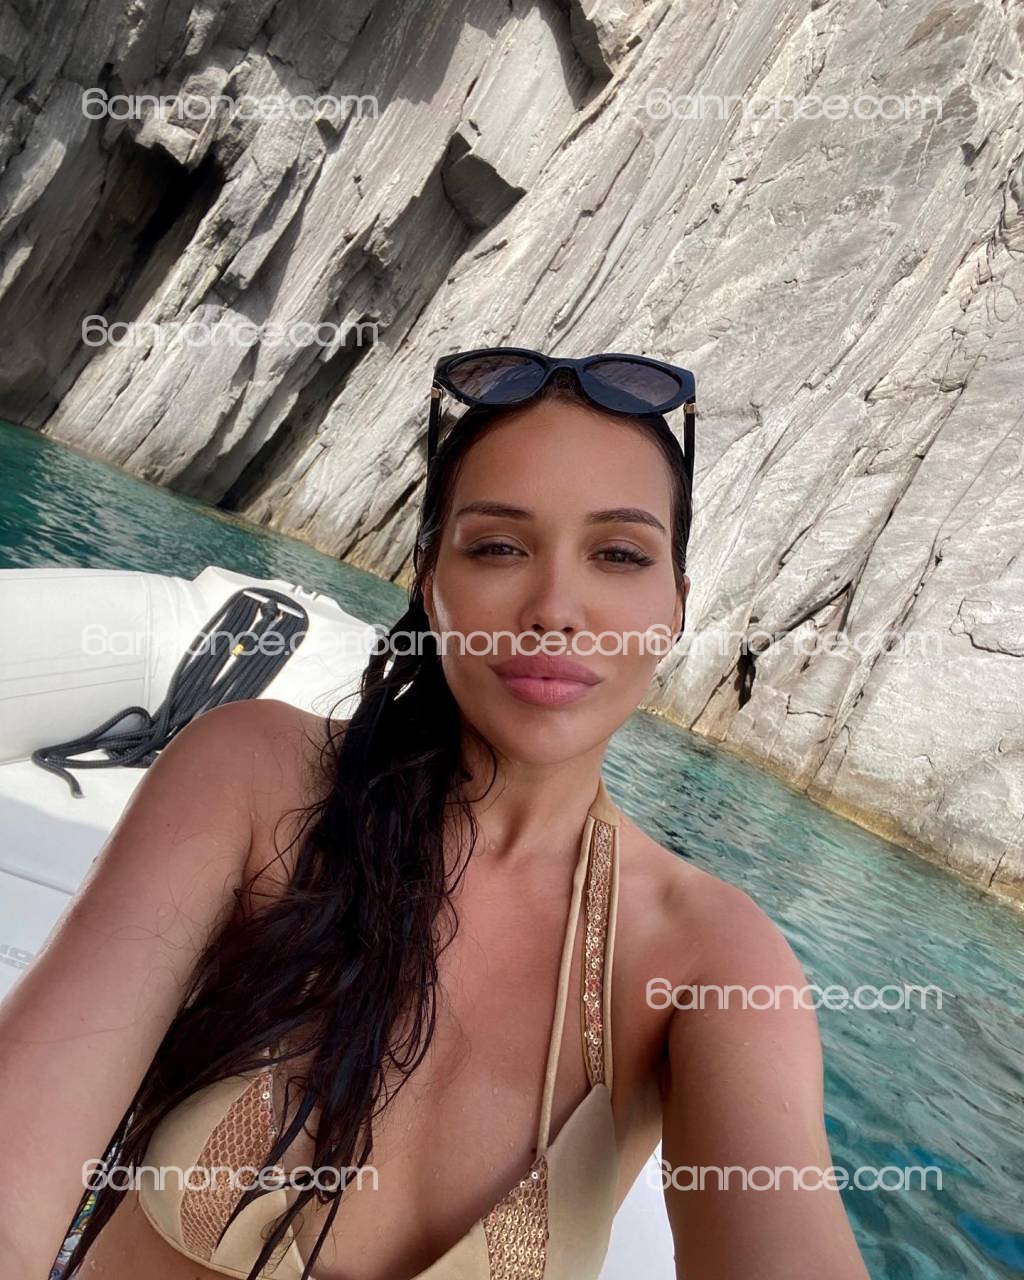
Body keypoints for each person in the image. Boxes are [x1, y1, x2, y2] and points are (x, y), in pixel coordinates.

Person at [0, 348, 870, 1280]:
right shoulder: (252, 778)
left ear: (674, 608)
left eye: (619, 555)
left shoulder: (710, 960)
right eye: (498, 547)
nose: (555, 610)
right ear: (428, 578)